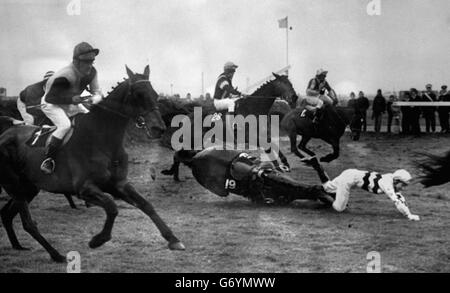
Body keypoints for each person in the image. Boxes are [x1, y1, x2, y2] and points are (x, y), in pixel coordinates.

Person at [40, 42, 103, 174]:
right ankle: (49, 159)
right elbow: (49, 98)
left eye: (92, 61)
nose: (89, 65)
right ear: (75, 61)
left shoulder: (92, 72)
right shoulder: (65, 75)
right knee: (65, 126)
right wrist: (71, 99)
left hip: (71, 102)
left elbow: (97, 92)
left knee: (91, 120)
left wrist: (94, 99)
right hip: (51, 103)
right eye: (86, 62)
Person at [306, 157, 420, 220]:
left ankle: (317, 166)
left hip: (350, 172)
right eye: (403, 185)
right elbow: (396, 200)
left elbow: (400, 197)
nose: (403, 188)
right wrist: (408, 215)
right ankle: (318, 192)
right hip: (349, 179)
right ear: (396, 180)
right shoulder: (387, 183)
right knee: (339, 208)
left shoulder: (391, 178)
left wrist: (408, 213)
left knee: (327, 187)